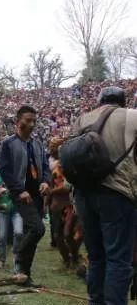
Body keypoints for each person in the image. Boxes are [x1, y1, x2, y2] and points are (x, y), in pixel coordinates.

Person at [72, 86, 137, 305]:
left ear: (100, 101)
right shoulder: (131, 116)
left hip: (83, 195)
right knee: (118, 258)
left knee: (96, 256)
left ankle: (95, 301)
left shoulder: (82, 119)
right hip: (117, 193)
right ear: (122, 101)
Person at [0, 105, 51, 286]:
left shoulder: (37, 144)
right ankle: (19, 255)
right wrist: (20, 190)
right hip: (20, 194)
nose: (32, 124)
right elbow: (5, 171)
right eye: (28, 120)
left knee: (32, 234)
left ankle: (25, 276)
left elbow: (45, 167)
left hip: (37, 193)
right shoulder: (8, 144)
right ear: (18, 121)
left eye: (34, 121)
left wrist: (45, 181)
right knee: (38, 229)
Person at [47, 137, 82, 269]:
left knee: (69, 234)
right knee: (58, 235)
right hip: (56, 206)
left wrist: (51, 192)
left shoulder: (69, 165)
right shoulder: (55, 167)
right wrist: (47, 201)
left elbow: (67, 187)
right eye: (52, 146)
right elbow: (51, 183)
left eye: (55, 146)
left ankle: (74, 256)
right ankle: (67, 259)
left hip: (70, 205)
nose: (52, 149)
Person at [0, 170, 23, 270]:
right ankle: (1, 260)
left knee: (19, 232)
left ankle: (16, 255)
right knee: (2, 237)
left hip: (17, 209)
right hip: (3, 210)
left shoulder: (17, 172)